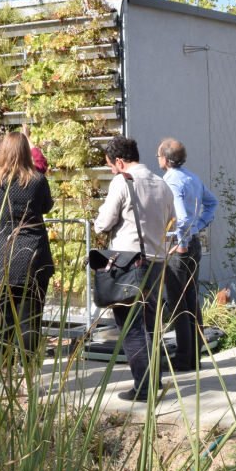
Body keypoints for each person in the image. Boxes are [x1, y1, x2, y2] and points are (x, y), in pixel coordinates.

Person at [94, 135, 174, 402]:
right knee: (151, 325)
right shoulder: (161, 183)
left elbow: (104, 223)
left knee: (130, 326)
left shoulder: (122, 181)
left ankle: (144, 387)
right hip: (158, 261)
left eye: (110, 166)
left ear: (119, 161)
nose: (112, 171)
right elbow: (170, 222)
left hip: (130, 261)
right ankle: (155, 380)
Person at [0, 131, 54, 355]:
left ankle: (5, 376)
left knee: (2, 322)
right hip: (33, 258)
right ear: (26, 152)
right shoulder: (38, 181)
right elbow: (46, 206)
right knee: (31, 321)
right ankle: (27, 382)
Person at [157, 138, 219, 371]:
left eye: (158, 156)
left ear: (165, 159)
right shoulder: (192, 177)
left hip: (180, 247)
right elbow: (212, 203)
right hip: (193, 244)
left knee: (178, 302)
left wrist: (180, 240)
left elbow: (181, 217)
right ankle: (195, 357)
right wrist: (199, 225)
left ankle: (184, 359)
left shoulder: (170, 181)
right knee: (192, 300)